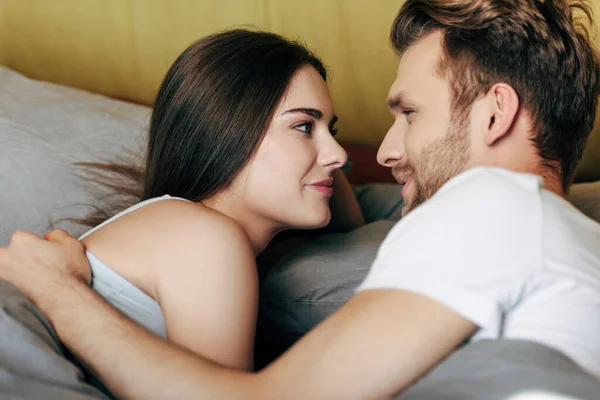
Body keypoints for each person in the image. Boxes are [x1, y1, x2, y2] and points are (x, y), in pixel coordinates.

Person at [1, 0, 600, 399]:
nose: (385, 151)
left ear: (496, 112)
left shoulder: (493, 205)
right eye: (305, 126)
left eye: (410, 114)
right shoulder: (560, 234)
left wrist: (59, 291)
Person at [42, 29, 365, 373]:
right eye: (303, 126)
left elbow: (353, 229)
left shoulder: (188, 231)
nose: (339, 155)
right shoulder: (204, 238)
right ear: (227, 132)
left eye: (332, 131)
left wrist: (317, 157)